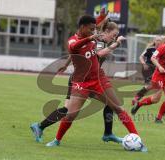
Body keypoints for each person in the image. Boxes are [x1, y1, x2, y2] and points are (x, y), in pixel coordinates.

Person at [45, 15, 147, 152]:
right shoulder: (72, 41)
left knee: (118, 108)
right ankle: (56, 140)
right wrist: (91, 38)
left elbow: (99, 50)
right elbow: (74, 47)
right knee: (71, 115)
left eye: (94, 29)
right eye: (91, 29)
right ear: (82, 27)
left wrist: (113, 41)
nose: (93, 32)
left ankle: (138, 142)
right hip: (81, 83)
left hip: (99, 79)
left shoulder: (94, 38)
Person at [30, 10, 123, 144]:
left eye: (117, 36)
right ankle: (40, 127)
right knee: (68, 110)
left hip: (93, 79)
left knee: (111, 104)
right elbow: (95, 52)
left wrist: (66, 64)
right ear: (107, 32)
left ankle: (108, 133)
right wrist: (116, 44)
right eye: (114, 35)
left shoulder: (95, 37)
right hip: (80, 80)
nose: (115, 37)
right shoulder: (99, 41)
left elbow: (77, 51)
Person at [131, 29, 165, 123]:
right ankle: (139, 104)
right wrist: (159, 67)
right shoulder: (163, 47)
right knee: (156, 99)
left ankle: (158, 118)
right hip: (159, 75)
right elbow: (153, 58)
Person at [131, 36, 163, 105]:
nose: (158, 42)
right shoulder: (150, 49)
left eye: (160, 40)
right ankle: (137, 98)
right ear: (154, 41)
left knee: (154, 86)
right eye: (157, 40)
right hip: (149, 68)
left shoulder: (162, 50)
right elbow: (141, 57)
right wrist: (143, 63)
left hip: (157, 70)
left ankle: (138, 98)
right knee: (150, 85)